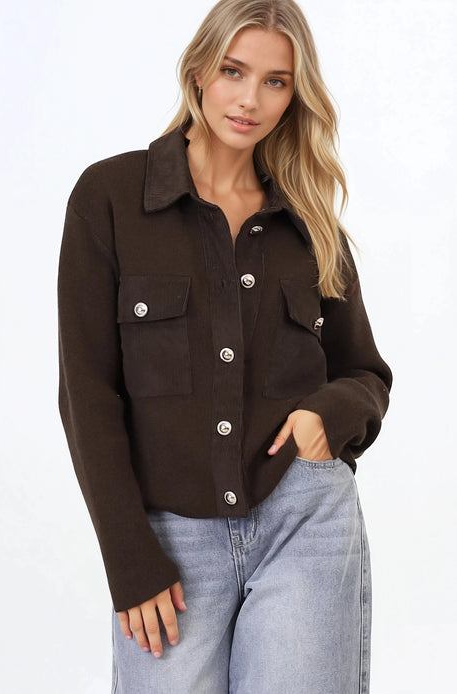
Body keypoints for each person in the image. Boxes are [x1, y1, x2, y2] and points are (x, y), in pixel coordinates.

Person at [57, 0, 393, 691]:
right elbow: (86, 392)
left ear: (294, 95)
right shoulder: (111, 197)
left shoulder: (309, 222)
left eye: (275, 81)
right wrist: (128, 556)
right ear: (198, 71)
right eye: (234, 71)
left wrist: (326, 415)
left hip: (304, 522)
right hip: (168, 541)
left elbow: (366, 373)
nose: (249, 99)